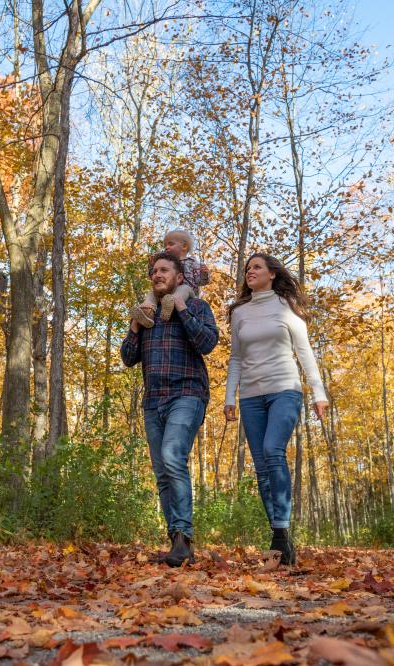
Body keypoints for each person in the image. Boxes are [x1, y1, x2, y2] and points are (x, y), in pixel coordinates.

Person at [223, 253, 330, 566]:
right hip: (251, 397)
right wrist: (230, 397)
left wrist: (318, 394)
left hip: (285, 389)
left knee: (273, 452)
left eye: (256, 267)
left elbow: (304, 352)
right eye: (247, 268)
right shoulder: (240, 312)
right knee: (261, 466)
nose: (249, 271)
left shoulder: (286, 307)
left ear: (272, 273)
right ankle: (280, 535)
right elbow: (236, 358)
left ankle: (281, 534)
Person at [121, 251, 219, 567]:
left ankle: (183, 537)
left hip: (187, 393)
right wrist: (135, 326)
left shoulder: (197, 307)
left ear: (179, 278)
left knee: (173, 457)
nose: (157, 275)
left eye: (164, 270)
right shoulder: (147, 314)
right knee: (163, 472)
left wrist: (181, 309)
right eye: (154, 272)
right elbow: (127, 357)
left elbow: (207, 343)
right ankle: (175, 538)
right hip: (153, 400)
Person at [130, 229, 209, 328]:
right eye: (165, 245)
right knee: (152, 292)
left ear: (184, 246)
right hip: (167, 293)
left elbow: (200, 282)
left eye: (170, 244)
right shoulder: (164, 262)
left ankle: (170, 305)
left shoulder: (192, 263)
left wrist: (204, 274)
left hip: (187, 293)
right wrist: (151, 266)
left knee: (183, 288)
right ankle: (147, 311)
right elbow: (154, 278)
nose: (166, 247)